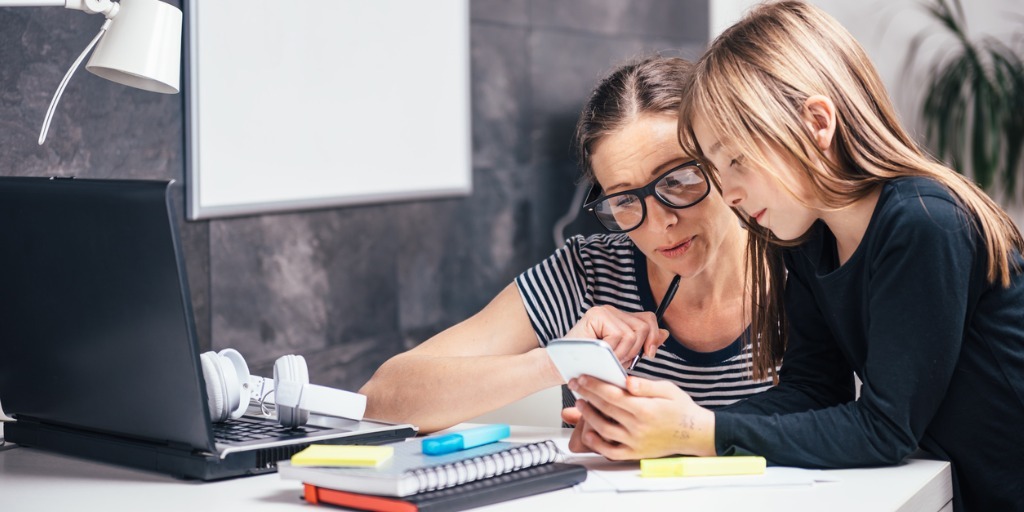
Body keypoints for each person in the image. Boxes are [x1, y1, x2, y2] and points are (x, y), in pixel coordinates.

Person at [564, 3, 1024, 511]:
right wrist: (666, 423)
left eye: (736, 160)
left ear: (817, 122)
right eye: (716, 171)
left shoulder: (923, 221)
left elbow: (885, 429)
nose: (730, 194)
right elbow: (813, 391)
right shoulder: (811, 238)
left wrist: (697, 431)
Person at [360, 56, 777, 434]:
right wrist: (558, 360)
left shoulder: (803, 267)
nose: (660, 223)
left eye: (678, 181)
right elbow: (381, 398)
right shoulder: (587, 273)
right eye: (625, 200)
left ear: (724, 162)